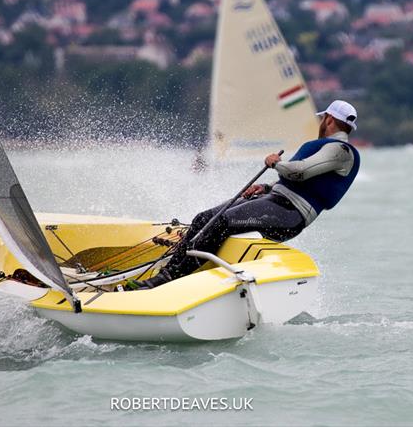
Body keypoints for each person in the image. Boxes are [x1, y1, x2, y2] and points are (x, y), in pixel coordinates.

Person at [131, 100, 361, 289]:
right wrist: (267, 188)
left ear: (329, 119)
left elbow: (299, 172)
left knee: (221, 222)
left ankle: (168, 280)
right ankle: (168, 271)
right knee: (204, 218)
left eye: (323, 118)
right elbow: (300, 181)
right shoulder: (327, 146)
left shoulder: (340, 150)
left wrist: (276, 163)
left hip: (291, 214)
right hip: (275, 201)